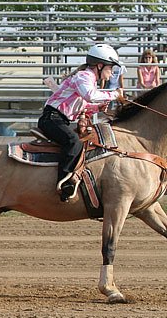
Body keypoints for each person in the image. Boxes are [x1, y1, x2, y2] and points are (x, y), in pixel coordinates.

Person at [37, 44, 123, 202]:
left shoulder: (87, 78)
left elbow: (83, 104)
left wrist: (97, 108)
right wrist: (114, 94)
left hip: (57, 118)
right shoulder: (84, 76)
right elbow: (90, 95)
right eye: (110, 68)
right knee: (73, 142)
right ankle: (64, 183)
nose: (111, 73)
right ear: (99, 65)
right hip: (52, 118)